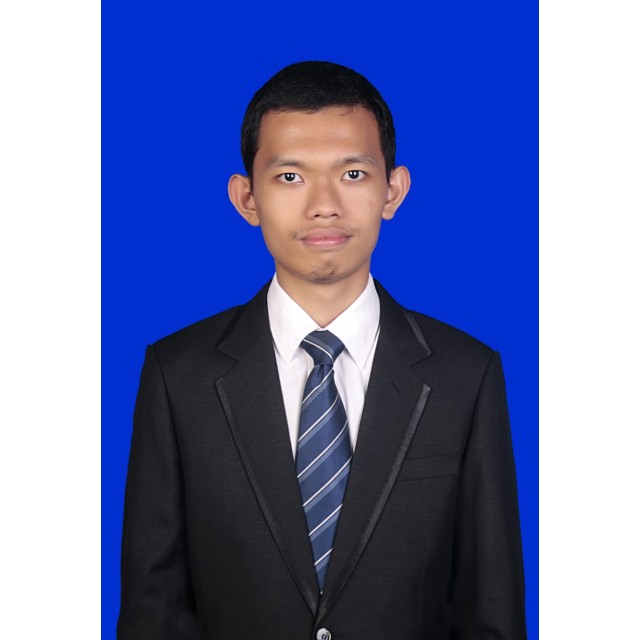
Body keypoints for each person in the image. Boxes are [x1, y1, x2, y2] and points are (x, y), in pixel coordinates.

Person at [118, 61, 527, 640]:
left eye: (353, 173)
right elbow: (153, 609)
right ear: (247, 197)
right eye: (290, 176)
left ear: (393, 190)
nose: (324, 205)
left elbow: (491, 609)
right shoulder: (178, 374)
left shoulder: (466, 374)